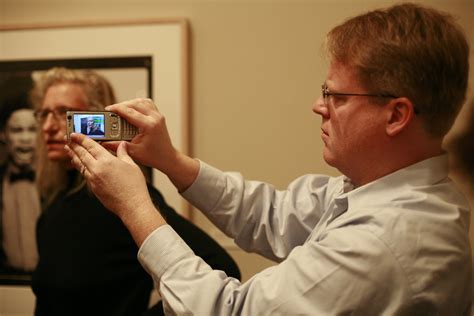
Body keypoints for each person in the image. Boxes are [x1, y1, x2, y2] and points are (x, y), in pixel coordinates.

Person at [66, 3, 471, 315]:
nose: (318, 106)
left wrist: (136, 207)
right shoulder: (372, 191)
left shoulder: (387, 240)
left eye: (338, 96)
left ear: (396, 115)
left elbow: (231, 311)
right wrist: (170, 159)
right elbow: (271, 214)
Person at [31, 67, 240, 316]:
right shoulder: (53, 204)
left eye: (64, 113)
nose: (48, 126)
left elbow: (222, 266)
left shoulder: (119, 198)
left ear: (99, 121)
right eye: (43, 114)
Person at [0, 96, 40, 276]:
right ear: (3, 134)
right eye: (17, 130)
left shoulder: (60, 184)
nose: (25, 138)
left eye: (32, 130)